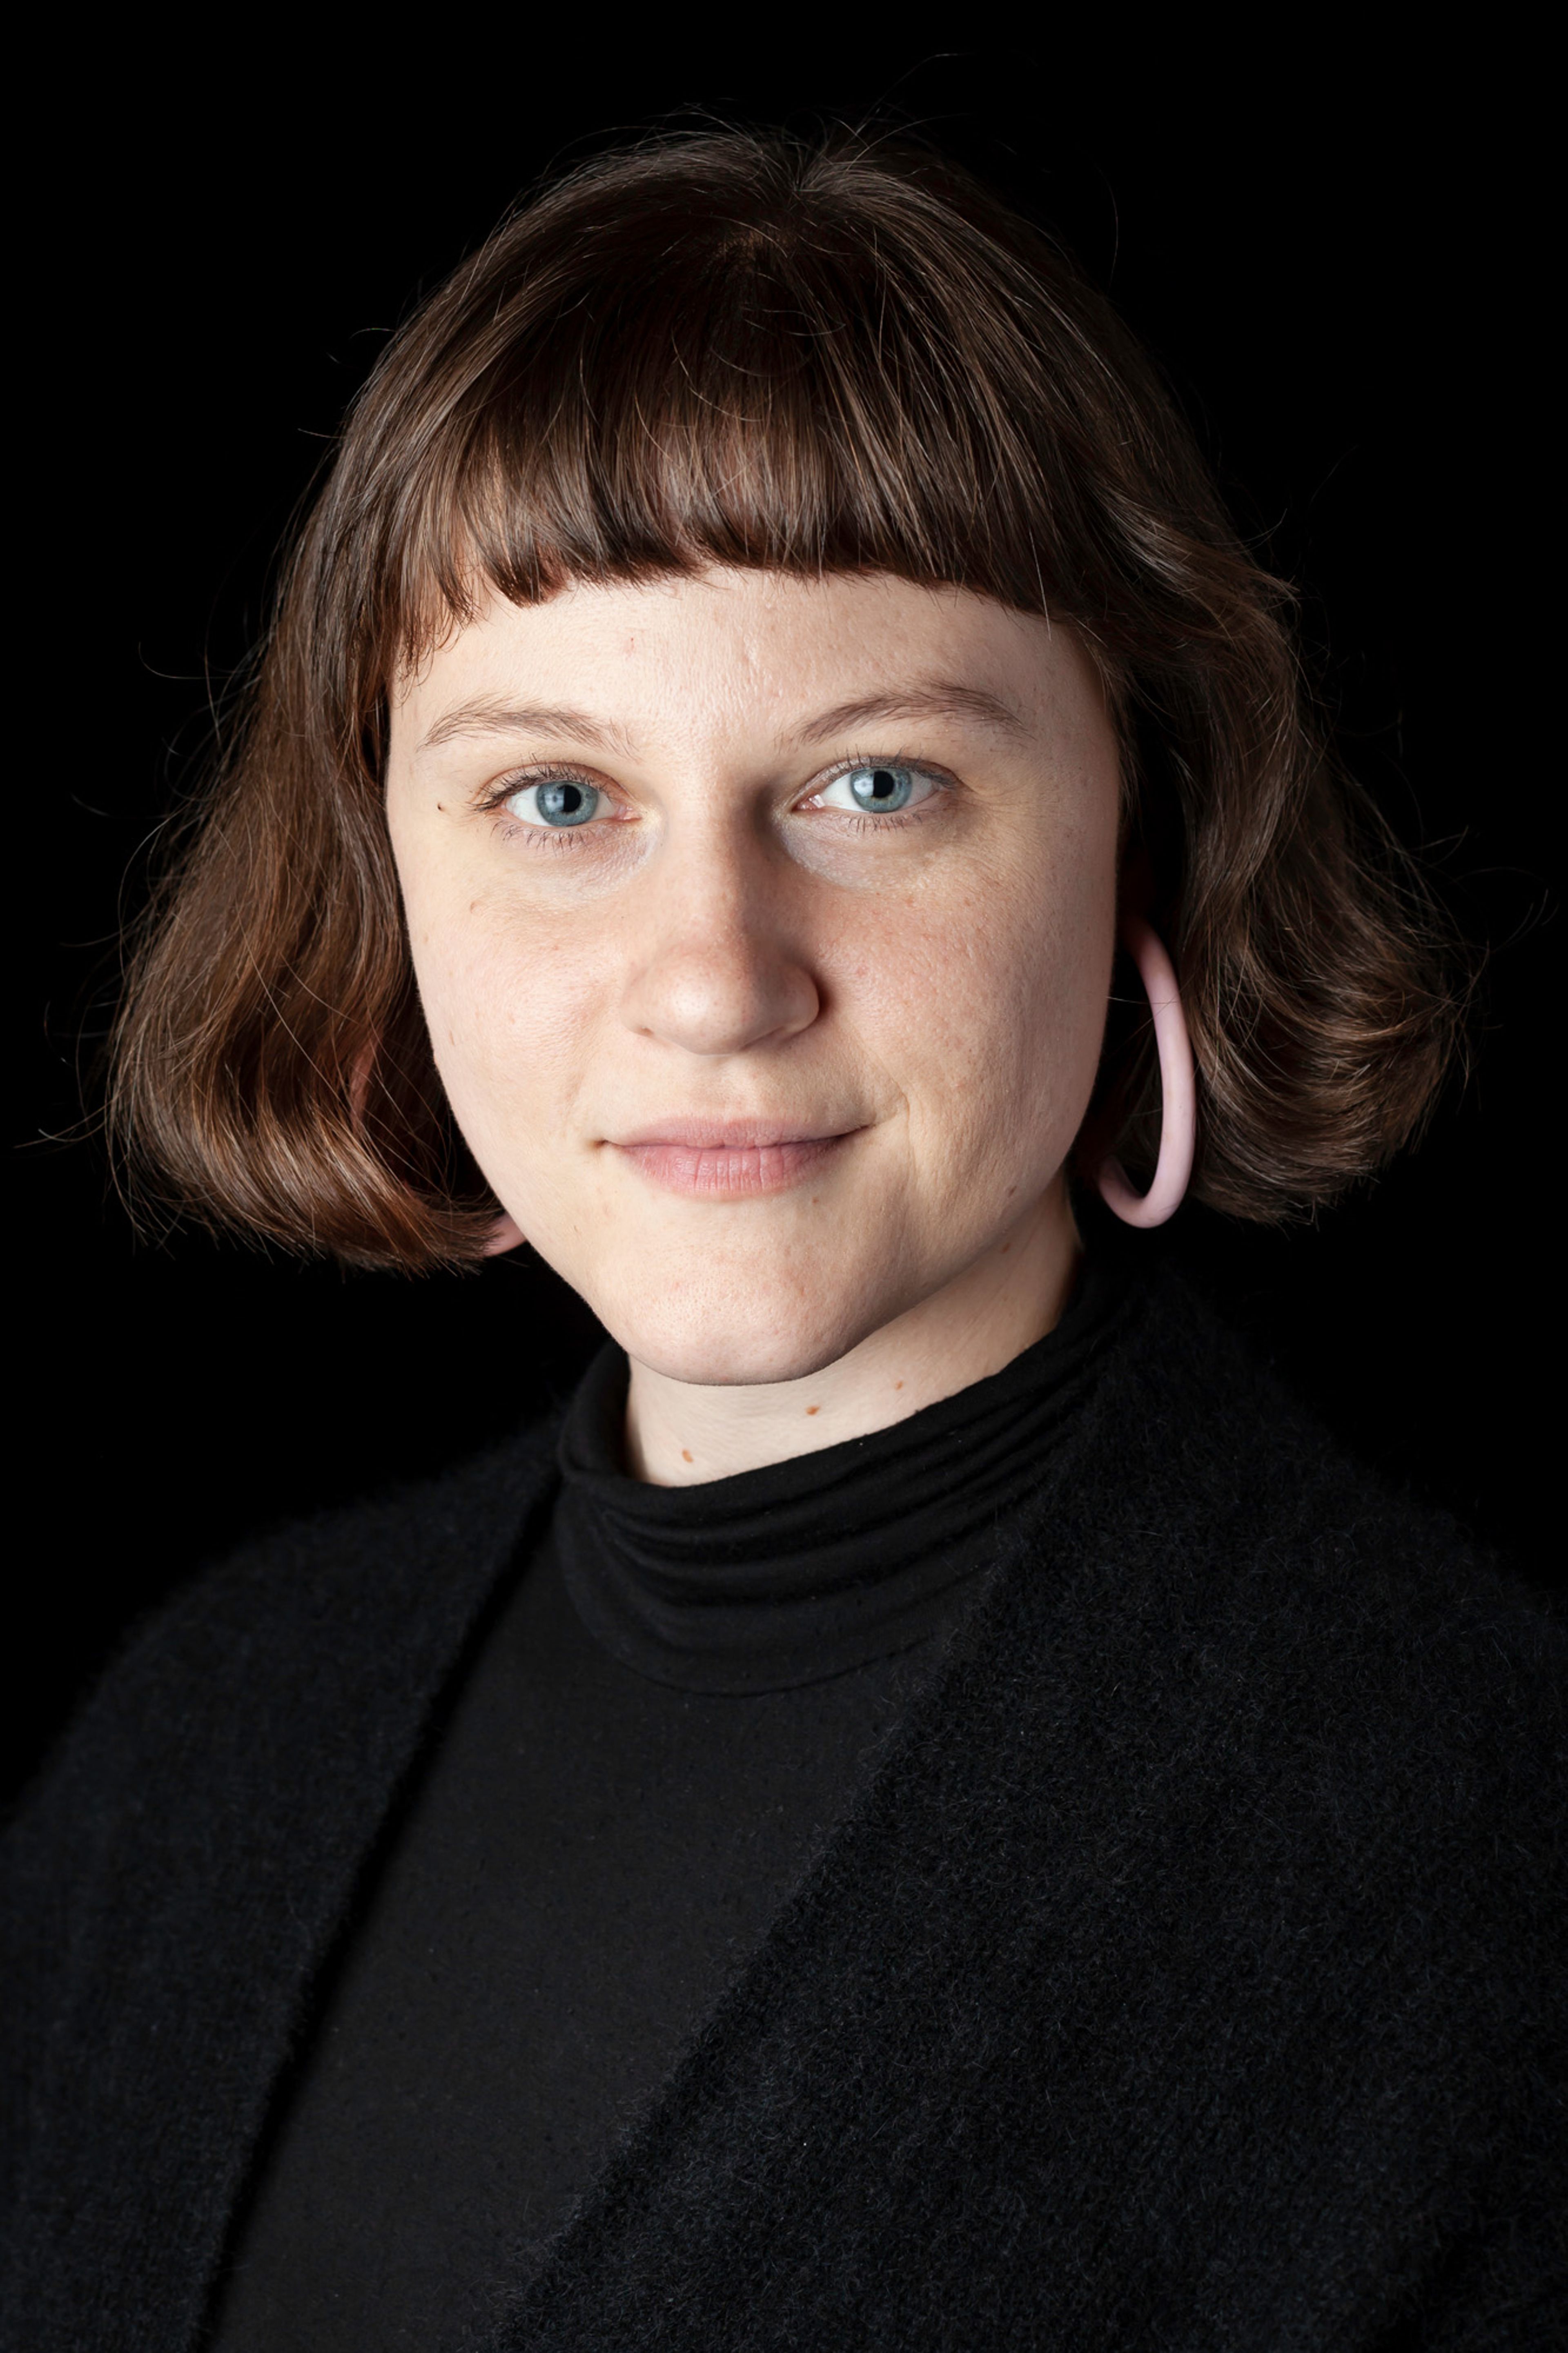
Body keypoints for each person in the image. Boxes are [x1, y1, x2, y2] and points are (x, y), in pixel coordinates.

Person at [2, 130, 1561, 2353]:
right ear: (388, 877)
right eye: (561, 799)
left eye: (875, 784)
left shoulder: (1482, 1851)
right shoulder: (191, 1744)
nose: (716, 973)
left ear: (1151, 824)